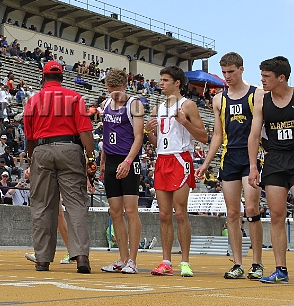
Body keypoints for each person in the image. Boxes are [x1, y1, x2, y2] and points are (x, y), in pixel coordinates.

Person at [195, 52, 264, 280]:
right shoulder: (218, 99)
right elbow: (217, 134)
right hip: (229, 157)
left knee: (252, 209)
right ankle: (237, 263)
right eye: (224, 72)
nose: (227, 76)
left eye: (231, 72)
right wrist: (206, 163)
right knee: (233, 213)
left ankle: (257, 263)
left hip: (251, 156)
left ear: (241, 69)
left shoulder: (257, 94)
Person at [23, 60, 96, 273]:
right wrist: (90, 158)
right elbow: (85, 132)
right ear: (62, 78)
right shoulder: (75, 98)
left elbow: (29, 136)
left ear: (43, 78)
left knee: (42, 206)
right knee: (75, 205)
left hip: (42, 149)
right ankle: (81, 256)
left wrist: (31, 156)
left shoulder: (33, 100)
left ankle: (42, 260)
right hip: (70, 148)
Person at [144, 66, 208, 277]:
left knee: (180, 213)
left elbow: (203, 137)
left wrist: (184, 122)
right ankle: (166, 261)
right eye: (161, 80)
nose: (161, 83)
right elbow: (156, 142)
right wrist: (148, 131)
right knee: (164, 215)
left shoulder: (187, 105)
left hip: (180, 158)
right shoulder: (158, 108)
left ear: (177, 82)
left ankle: (185, 261)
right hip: (162, 159)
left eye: (165, 80)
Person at [248, 56, 293, 284]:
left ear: (281, 78)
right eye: (262, 75)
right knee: (276, 215)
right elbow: (254, 134)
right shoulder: (262, 99)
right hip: (274, 159)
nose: (262, 80)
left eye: (266, 76)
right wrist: (254, 166)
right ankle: (280, 269)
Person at [99, 70, 144, 274]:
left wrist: (128, 161)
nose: (113, 96)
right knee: (115, 211)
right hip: (111, 160)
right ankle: (122, 257)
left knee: (131, 210)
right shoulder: (106, 105)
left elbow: (138, 136)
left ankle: (133, 260)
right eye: (110, 92)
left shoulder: (134, 104)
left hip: (128, 160)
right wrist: (102, 161)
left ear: (124, 88)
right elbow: (106, 134)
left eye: (116, 93)